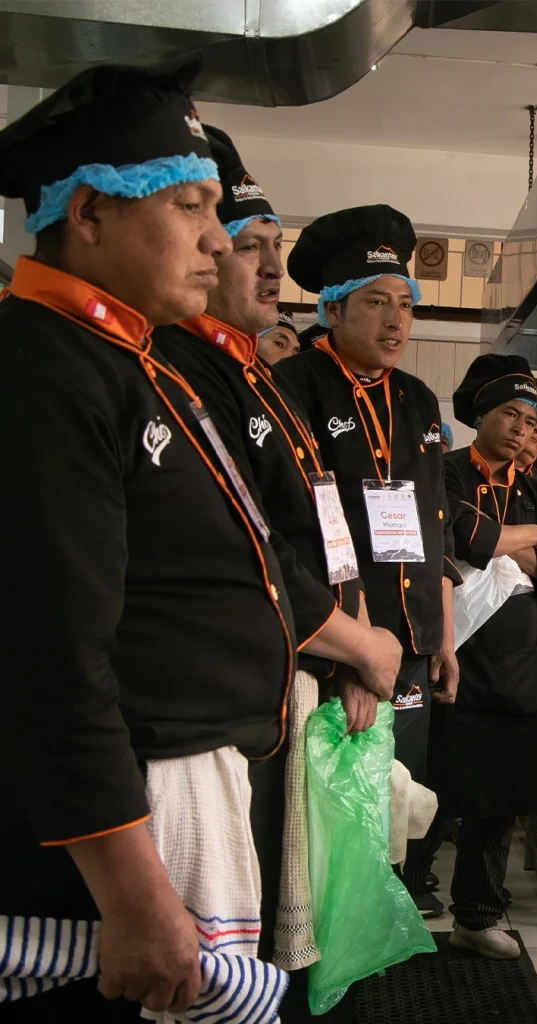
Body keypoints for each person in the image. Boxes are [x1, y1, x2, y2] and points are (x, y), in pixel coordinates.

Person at [0, 58, 296, 1022]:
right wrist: (134, 898)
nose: (220, 243)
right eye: (190, 206)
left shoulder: (131, 358)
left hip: (181, 791)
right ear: (88, 213)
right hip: (109, 841)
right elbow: (52, 655)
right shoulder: (42, 368)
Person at [153, 128, 402, 1020]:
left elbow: (324, 533)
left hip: (305, 675)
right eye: (242, 245)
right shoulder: (180, 367)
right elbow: (247, 553)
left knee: (275, 949)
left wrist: (359, 641)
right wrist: (356, 647)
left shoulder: (254, 377)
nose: (263, 267)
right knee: (238, 955)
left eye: (270, 250)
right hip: (247, 694)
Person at [276, 203, 461, 911]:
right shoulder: (295, 388)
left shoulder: (415, 397)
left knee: (391, 810)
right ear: (330, 310)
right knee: (330, 827)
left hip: (409, 645)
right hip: (338, 647)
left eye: (405, 304)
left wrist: (440, 634)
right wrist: (350, 658)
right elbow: (308, 532)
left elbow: (432, 522)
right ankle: (320, 965)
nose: (396, 321)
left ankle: (372, 952)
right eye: (376, 303)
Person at [423, 354, 537, 960]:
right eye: (510, 414)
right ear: (479, 417)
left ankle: (478, 915)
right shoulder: (445, 472)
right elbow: (463, 536)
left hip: (518, 660)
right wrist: (527, 542)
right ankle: (404, 899)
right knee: (430, 790)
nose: (522, 427)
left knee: (499, 799)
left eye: (531, 417)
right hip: (455, 648)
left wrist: (532, 548)